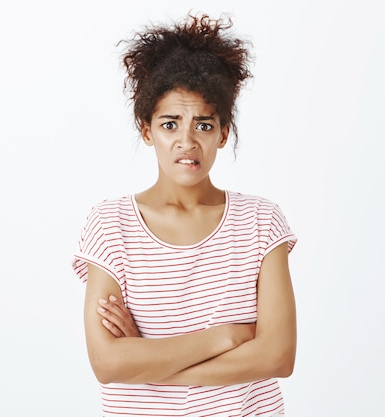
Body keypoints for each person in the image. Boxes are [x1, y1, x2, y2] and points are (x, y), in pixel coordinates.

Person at [71, 13, 297, 417]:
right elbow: (108, 364)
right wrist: (224, 337)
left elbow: (278, 356)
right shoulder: (110, 225)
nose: (186, 142)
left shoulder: (261, 222)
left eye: (204, 125)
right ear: (147, 131)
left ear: (223, 134)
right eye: (170, 124)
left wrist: (149, 363)